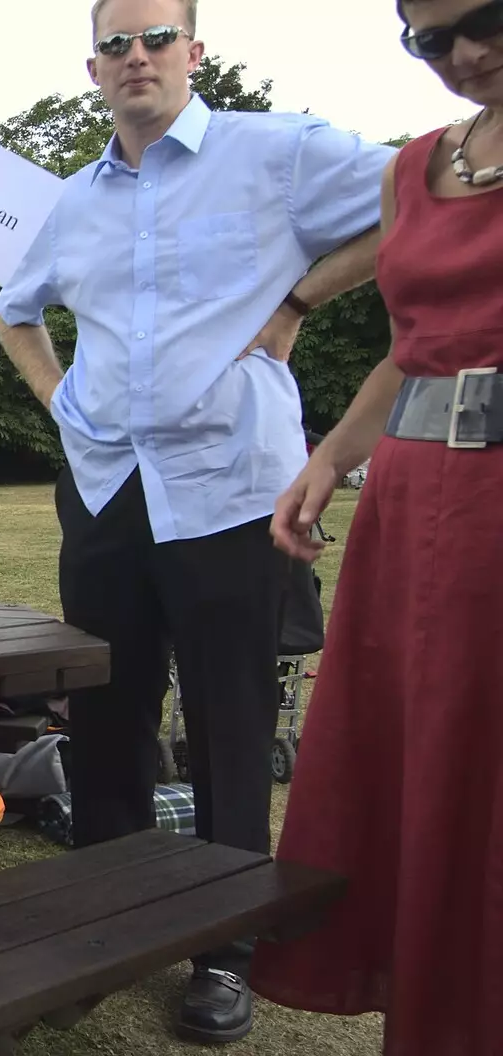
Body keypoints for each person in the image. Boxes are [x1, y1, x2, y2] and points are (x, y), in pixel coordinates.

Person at [0, 0, 396, 1042]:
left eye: (155, 38)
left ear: (193, 51)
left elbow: (420, 196)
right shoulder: (72, 202)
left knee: (228, 721)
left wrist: (303, 297)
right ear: (92, 68)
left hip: (229, 484)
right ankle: (111, 923)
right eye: (116, 44)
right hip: (104, 485)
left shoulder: (278, 151)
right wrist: (57, 401)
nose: (136, 57)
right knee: (108, 715)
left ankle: (225, 946)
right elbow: (13, 308)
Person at [252, 2, 503, 1052]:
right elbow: (413, 344)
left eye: (486, 19)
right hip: (411, 497)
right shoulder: (415, 169)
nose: (465, 52)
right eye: (432, 39)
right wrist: (326, 458)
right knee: (417, 759)